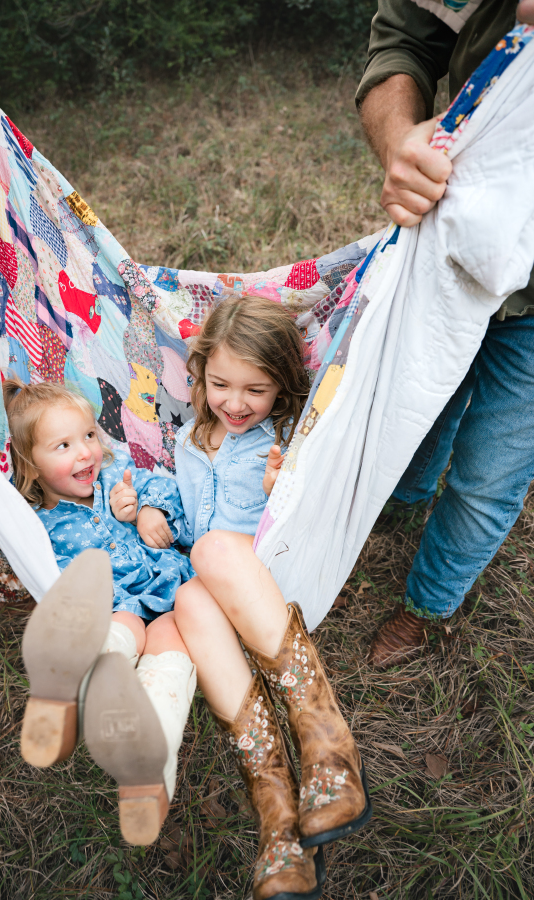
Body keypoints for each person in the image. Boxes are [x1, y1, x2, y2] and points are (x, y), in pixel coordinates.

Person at [173, 296, 372, 900]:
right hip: (214, 585)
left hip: (271, 579)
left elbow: (308, 518)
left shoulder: (287, 439)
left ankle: (329, 750)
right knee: (187, 597)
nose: (235, 403)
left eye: (255, 389)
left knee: (209, 553)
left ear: (280, 385)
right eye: (220, 385)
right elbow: (188, 524)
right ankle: (278, 817)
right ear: (201, 372)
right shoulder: (186, 441)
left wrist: (281, 490)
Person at [356, 0, 534, 667]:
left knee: (491, 469)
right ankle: (399, 501)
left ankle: (427, 605)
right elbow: (404, 39)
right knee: (420, 395)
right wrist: (400, 137)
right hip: (453, 241)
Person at [3, 378, 196, 846]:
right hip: (117, 606)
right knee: (120, 629)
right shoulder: (39, 529)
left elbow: (169, 492)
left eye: (89, 435)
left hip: (169, 590)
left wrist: (148, 511)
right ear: (30, 465)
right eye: (64, 445)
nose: (86, 452)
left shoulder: (119, 473)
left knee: (170, 658)